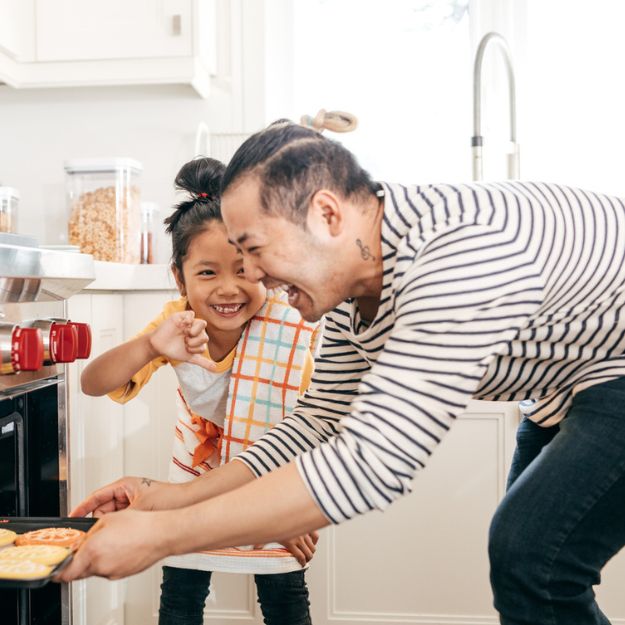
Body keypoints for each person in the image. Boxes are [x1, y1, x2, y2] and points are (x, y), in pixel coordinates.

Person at [62, 122, 625, 625]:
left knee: (532, 558)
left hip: (613, 372)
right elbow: (318, 422)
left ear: (327, 215)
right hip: (567, 387)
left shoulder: (456, 254)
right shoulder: (354, 293)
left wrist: (162, 537)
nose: (252, 273)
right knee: (527, 566)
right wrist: (166, 498)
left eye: (254, 249)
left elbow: (373, 463)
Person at [78, 155, 319, 625]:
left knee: (286, 600)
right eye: (208, 272)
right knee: (181, 598)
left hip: (274, 486)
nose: (228, 289)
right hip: (189, 485)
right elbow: (92, 384)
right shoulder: (176, 327)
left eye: (245, 270)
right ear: (179, 279)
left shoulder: (288, 327)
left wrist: (291, 510)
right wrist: (151, 345)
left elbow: (309, 424)